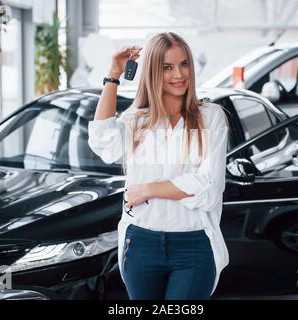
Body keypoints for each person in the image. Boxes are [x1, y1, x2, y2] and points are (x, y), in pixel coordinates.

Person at [87, 32, 229, 300]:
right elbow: (103, 142)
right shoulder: (137, 120)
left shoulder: (211, 117)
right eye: (167, 67)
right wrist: (113, 74)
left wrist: (149, 189)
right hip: (141, 241)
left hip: (194, 243)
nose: (179, 74)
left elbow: (209, 188)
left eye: (184, 64)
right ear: (152, 71)